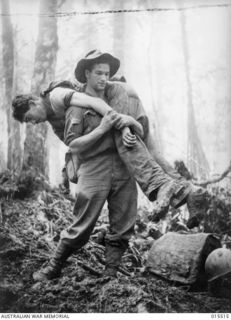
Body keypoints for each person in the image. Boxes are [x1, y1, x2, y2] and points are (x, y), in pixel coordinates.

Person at [12, 51, 207, 280]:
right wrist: (114, 127)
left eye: (28, 118)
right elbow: (75, 145)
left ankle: (108, 273)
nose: (32, 123)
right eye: (99, 73)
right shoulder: (64, 112)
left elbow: (115, 116)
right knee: (85, 222)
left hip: (121, 149)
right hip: (97, 163)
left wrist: (125, 124)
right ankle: (54, 266)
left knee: (123, 219)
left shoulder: (69, 96)